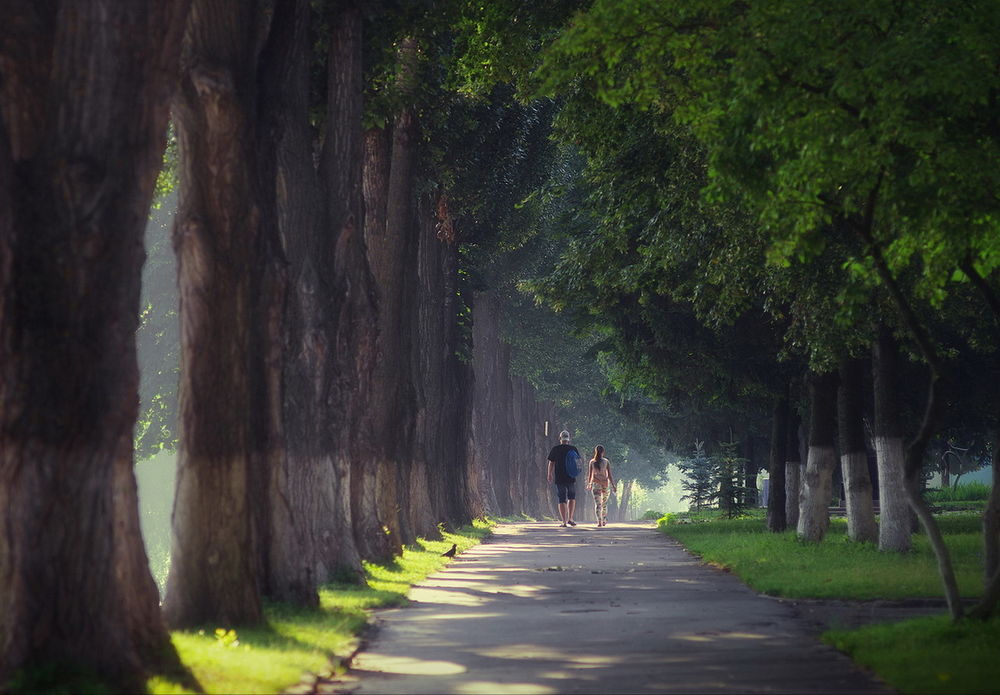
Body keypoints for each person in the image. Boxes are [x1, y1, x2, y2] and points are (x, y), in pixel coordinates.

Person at [546, 430, 581, 527]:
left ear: (560, 438)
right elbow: (578, 463)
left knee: (562, 499)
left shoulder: (555, 449)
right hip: (571, 476)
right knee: (572, 497)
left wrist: (549, 474)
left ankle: (564, 521)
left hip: (559, 477)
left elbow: (551, 463)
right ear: (569, 439)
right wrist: (576, 472)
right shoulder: (573, 449)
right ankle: (570, 518)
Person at [585, 445, 616, 527]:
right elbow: (609, 475)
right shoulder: (606, 461)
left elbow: (590, 475)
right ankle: (604, 520)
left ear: (595, 452)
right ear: (603, 452)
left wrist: (589, 484)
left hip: (596, 485)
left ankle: (599, 521)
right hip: (605, 484)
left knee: (598, 504)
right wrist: (613, 485)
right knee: (604, 504)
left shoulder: (592, 462)